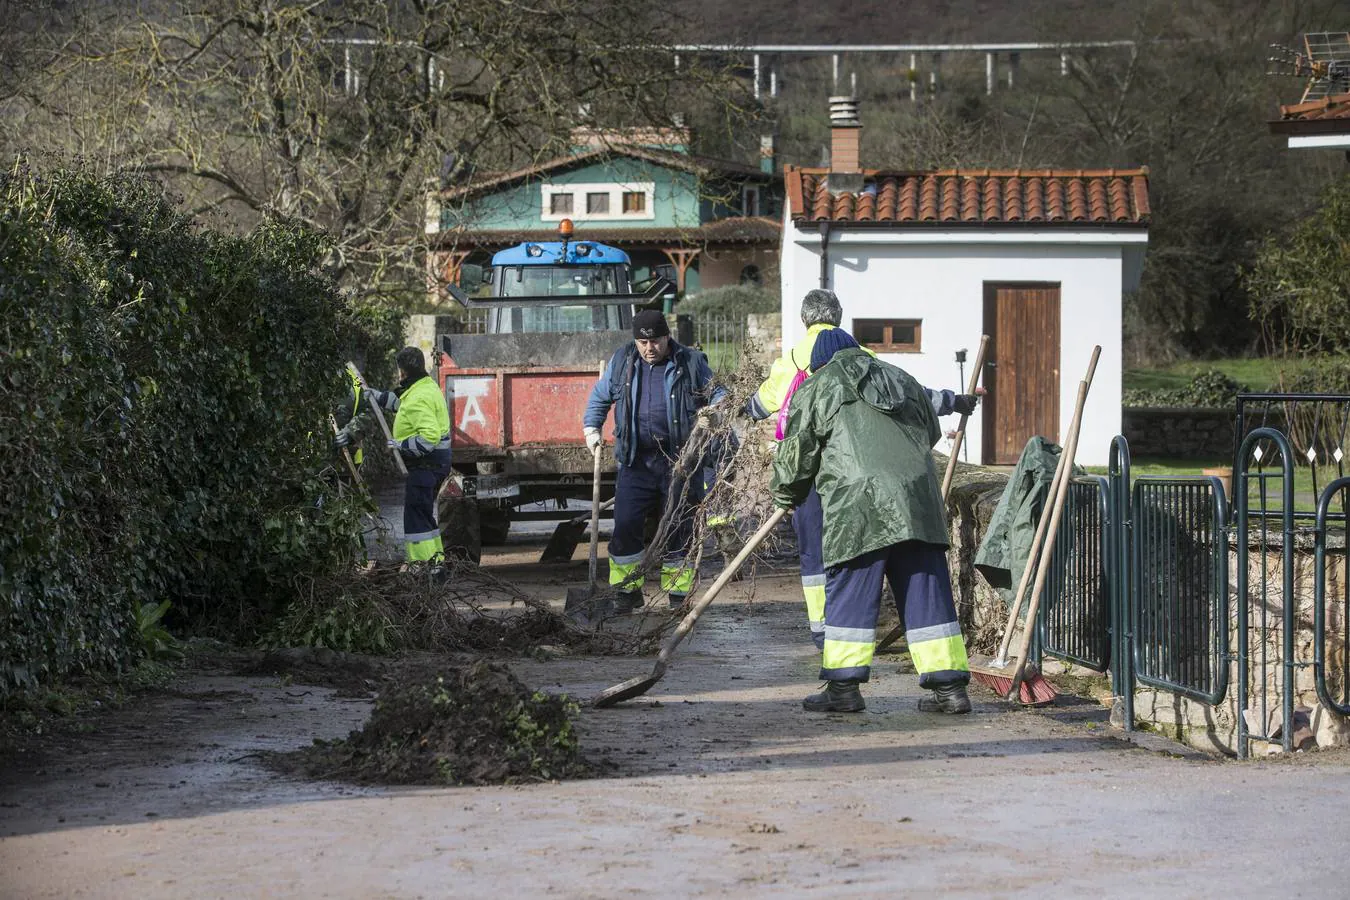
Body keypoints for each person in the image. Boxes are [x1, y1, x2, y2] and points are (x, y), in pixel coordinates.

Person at [744, 289, 978, 650]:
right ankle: (948, 684)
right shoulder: (873, 361)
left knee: (830, 561)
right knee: (921, 583)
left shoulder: (793, 362)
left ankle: (829, 644)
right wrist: (955, 400)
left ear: (805, 319)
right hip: (908, 493)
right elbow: (922, 406)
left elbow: (775, 419)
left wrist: (784, 490)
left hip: (832, 483)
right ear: (838, 317)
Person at [770, 329, 973, 714]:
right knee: (926, 594)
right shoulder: (901, 378)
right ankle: (951, 691)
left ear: (821, 363)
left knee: (850, 591)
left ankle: (844, 690)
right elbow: (929, 431)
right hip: (917, 502)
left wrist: (786, 495)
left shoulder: (816, 387)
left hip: (857, 504)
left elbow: (798, 452)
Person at [583, 309, 728, 611]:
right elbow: (600, 397)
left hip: (680, 462)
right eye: (643, 343)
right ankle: (627, 591)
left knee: (680, 526)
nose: (650, 349)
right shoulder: (623, 361)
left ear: (667, 337)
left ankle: (678, 595)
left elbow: (719, 394)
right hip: (636, 462)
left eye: (656, 342)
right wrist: (591, 429)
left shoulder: (691, 362)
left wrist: (714, 413)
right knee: (625, 526)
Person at [369, 347, 453, 563]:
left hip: (425, 466)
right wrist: (377, 397)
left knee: (416, 521)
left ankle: (424, 567)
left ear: (403, 372)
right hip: (434, 466)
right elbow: (403, 405)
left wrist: (401, 444)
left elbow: (429, 437)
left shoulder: (418, 397)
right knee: (425, 517)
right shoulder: (425, 387)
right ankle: (436, 564)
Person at [331, 363, 373, 474]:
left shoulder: (353, 381)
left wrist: (349, 433)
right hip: (311, 465)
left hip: (348, 462)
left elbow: (366, 414)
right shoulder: (302, 374)